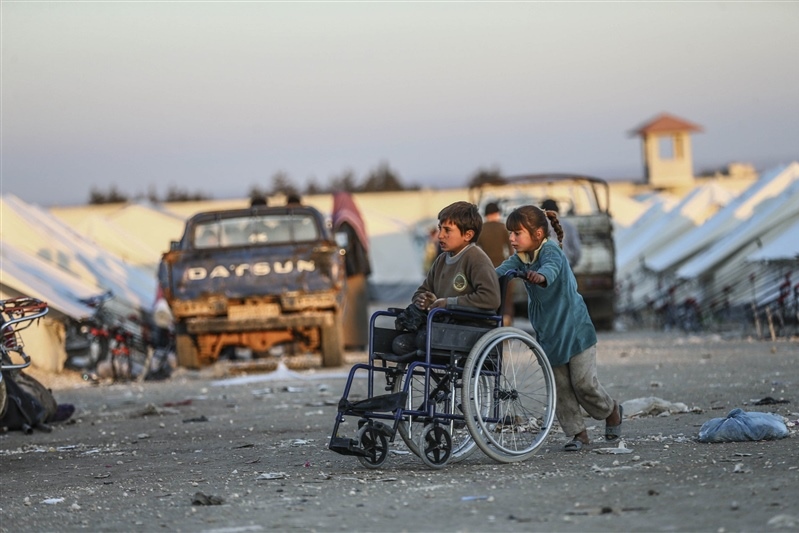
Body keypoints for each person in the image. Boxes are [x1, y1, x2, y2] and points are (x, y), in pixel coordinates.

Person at [495, 205, 621, 452]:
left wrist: (539, 277)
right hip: (549, 334)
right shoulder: (520, 258)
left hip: (575, 331)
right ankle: (578, 434)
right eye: (510, 233)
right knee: (561, 388)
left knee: (584, 384)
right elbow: (496, 272)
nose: (511, 238)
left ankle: (611, 410)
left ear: (539, 234)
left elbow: (550, 269)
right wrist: (480, 279)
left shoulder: (551, 250)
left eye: (517, 233)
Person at [392, 201, 500, 355]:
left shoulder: (476, 259)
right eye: (440, 229)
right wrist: (423, 299)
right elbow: (422, 290)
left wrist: (448, 303)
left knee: (424, 340)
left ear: (468, 235)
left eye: (447, 230)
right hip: (446, 325)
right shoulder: (442, 259)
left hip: (470, 329)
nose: (440, 235)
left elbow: (491, 298)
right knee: (399, 344)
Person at [332, 192, 372, 350]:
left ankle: (351, 342)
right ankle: (360, 341)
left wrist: (340, 270)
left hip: (351, 273)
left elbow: (343, 249)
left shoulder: (343, 221)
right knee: (359, 310)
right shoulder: (354, 218)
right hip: (359, 271)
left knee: (350, 311)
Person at [476, 201, 514, 324]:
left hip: (487, 268)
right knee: (506, 298)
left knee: (490, 297)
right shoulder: (503, 227)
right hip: (503, 267)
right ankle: (507, 319)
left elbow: (476, 250)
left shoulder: (481, 229)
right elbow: (511, 249)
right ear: (497, 213)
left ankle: (492, 322)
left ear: (486, 214)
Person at [541, 198, 581, 267]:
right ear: (558, 210)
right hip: (565, 264)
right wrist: (572, 264)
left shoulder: (538, 227)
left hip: (544, 268)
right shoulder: (568, 226)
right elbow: (576, 249)